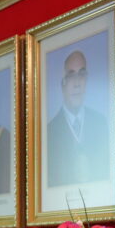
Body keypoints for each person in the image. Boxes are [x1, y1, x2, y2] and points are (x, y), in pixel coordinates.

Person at [47, 50, 109, 187]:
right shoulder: (49, 133)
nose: (77, 83)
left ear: (86, 80)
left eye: (82, 74)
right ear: (62, 84)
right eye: (70, 76)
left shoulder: (100, 124)